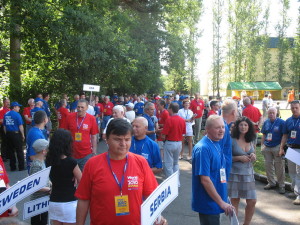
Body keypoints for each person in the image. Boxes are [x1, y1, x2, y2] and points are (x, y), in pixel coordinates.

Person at [75, 119, 167, 225]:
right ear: (107, 139)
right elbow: (83, 199)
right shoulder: (92, 164)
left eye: (127, 139)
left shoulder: (140, 162)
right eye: (118, 139)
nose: (123, 144)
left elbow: (151, 197)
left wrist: (159, 218)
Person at [192, 115, 234, 225]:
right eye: (217, 128)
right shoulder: (203, 149)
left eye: (223, 127)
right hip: (208, 203)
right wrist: (221, 203)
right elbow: (205, 180)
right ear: (207, 130)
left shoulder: (216, 142)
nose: (221, 131)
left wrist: (224, 197)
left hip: (217, 200)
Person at [46, 129, 82, 225]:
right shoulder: (71, 162)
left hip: (54, 201)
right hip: (69, 202)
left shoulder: (48, 161)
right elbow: (82, 180)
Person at [228, 117, 257, 225]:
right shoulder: (231, 139)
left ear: (249, 127)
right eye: (241, 125)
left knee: (252, 201)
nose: (243, 127)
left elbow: (254, 154)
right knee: (234, 200)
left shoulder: (252, 139)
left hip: (248, 174)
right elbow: (225, 158)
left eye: (245, 125)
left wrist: (254, 156)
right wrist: (238, 158)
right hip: (234, 174)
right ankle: (234, 224)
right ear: (237, 126)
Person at [66, 99, 98, 171]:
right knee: (71, 177)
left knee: (84, 177)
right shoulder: (70, 117)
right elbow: (65, 135)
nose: (79, 109)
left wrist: (94, 151)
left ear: (87, 108)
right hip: (71, 152)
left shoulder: (91, 119)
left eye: (82, 107)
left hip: (86, 154)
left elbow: (93, 136)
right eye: (78, 107)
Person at [279, 100, 300, 205]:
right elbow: (285, 135)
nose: (294, 110)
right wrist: (281, 148)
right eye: (292, 108)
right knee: (292, 171)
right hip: (291, 149)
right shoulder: (288, 121)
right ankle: (295, 190)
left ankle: (299, 195)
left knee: (299, 172)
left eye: (296, 107)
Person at [261, 107, 285, 194]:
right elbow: (264, 134)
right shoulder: (266, 122)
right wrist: (262, 146)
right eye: (269, 113)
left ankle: (281, 185)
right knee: (268, 166)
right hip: (267, 146)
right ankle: (271, 182)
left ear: (276, 113)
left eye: (273, 113)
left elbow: (284, 135)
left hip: (277, 146)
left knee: (279, 167)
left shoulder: (281, 122)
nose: (271, 114)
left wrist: (281, 147)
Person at [161, 102, 186, 183]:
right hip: (178, 142)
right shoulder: (182, 120)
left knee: (168, 164)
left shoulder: (169, 119)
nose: (168, 109)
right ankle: (177, 181)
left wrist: (162, 136)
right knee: (175, 163)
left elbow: (164, 135)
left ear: (171, 109)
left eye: (169, 108)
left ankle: (171, 182)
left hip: (170, 142)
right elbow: (183, 133)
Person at [29, 139, 51, 225]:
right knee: (38, 222)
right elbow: (35, 186)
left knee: (44, 220)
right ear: (44, 151)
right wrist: (49, 189)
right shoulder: (36, 165)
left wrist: (50, 183)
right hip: (37, 201)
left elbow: (45, 178)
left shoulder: (42, 162)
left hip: (43, 199)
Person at [3, 102, 25, 171]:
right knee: (19, 151)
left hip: (8, 134)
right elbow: (20, 126)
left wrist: (6, 133)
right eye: (18, 107)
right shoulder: (17, 115)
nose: (19, 108)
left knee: (11, 151)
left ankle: (13, 167)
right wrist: (23, 135)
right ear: (14, 107)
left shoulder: (6, 114)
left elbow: (4, 126)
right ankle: (21, 167)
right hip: (16, 134)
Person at [0, 97, 10, 162]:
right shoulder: (1, 110)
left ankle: (8, 155)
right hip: (3, 127)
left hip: (9, 127)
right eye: (7, 102)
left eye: (9, 102)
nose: (8, 103)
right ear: (4, 103)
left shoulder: (9, 110)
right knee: (4, 142)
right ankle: (3, 156)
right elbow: (1, 120)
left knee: (9, 141)